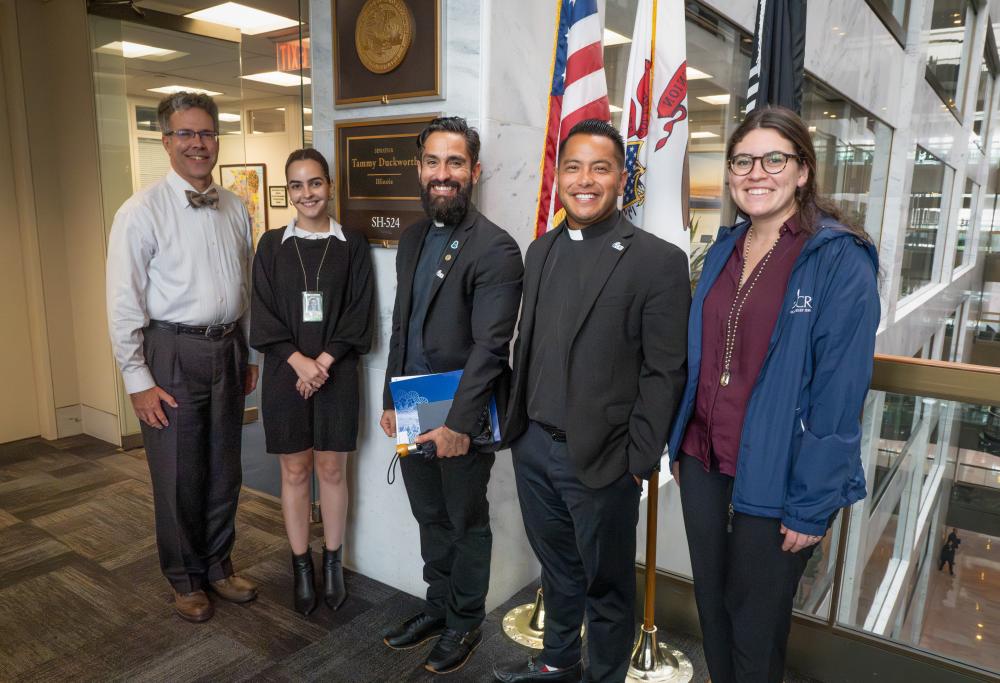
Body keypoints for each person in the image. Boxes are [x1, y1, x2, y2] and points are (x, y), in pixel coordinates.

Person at [667, 106, 880, 683]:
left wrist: (813, 505)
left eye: (774, 159)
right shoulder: (726, 245)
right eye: (742, 160)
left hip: (780, 477)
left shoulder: (837, 256)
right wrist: (682, 443)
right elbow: (705, 355)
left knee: (754, 625)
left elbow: (840, 391)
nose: (756, 172)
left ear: (803, 171)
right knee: (711, 609)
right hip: (703, 461)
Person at [494, 119, 690, 683]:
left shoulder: (657, 261)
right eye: (573, 167)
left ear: (621, 178)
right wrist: (518, 429)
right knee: (556, 568)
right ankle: (559, 660)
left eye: (600, 168)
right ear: (558, 177)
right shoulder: (541, 250)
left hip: (603, 459)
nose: (585, 180)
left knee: (606, 586)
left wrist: (638, 459)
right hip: (534, 447)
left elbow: (664, 370)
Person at [106, 92, 259, 623]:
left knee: (224, 468)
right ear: (166, 141)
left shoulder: (237, 207)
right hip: (170, 351)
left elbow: (244, 285)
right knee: (178, 472)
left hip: (229, 348)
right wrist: (137, 379)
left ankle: (218, 564)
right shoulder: (140, 211)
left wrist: (250, 350)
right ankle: (185, 577)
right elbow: (122, 300)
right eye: (186, 134)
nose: (198, 144)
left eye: (207, 133)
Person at [379, 116, 523, 674]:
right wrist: (393, 398)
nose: (444, 174)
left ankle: (465, 623)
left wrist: (459, 424)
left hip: (461, 408)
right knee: (429, 515)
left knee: (466, 521)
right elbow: (401, 324)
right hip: (415, 401)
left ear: (474, 171)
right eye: (434, 163)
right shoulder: (414, 237)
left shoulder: (496, 249)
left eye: (455, 163)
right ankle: (436, 607)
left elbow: (491, 349)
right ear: (420, 169)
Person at [250, 148, 374, 615]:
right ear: (289, 191)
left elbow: (358, 313)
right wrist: (299, 362)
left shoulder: (352, 244)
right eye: (298, 185)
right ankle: (301, 565)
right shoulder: (270, 245)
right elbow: (262, 316)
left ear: (330, 185)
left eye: (315, 183)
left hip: (337, 373)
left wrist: (320, 362)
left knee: (331, 470)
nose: (308, 194)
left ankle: (334, 563)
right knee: (295, 471)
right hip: (286, 376)